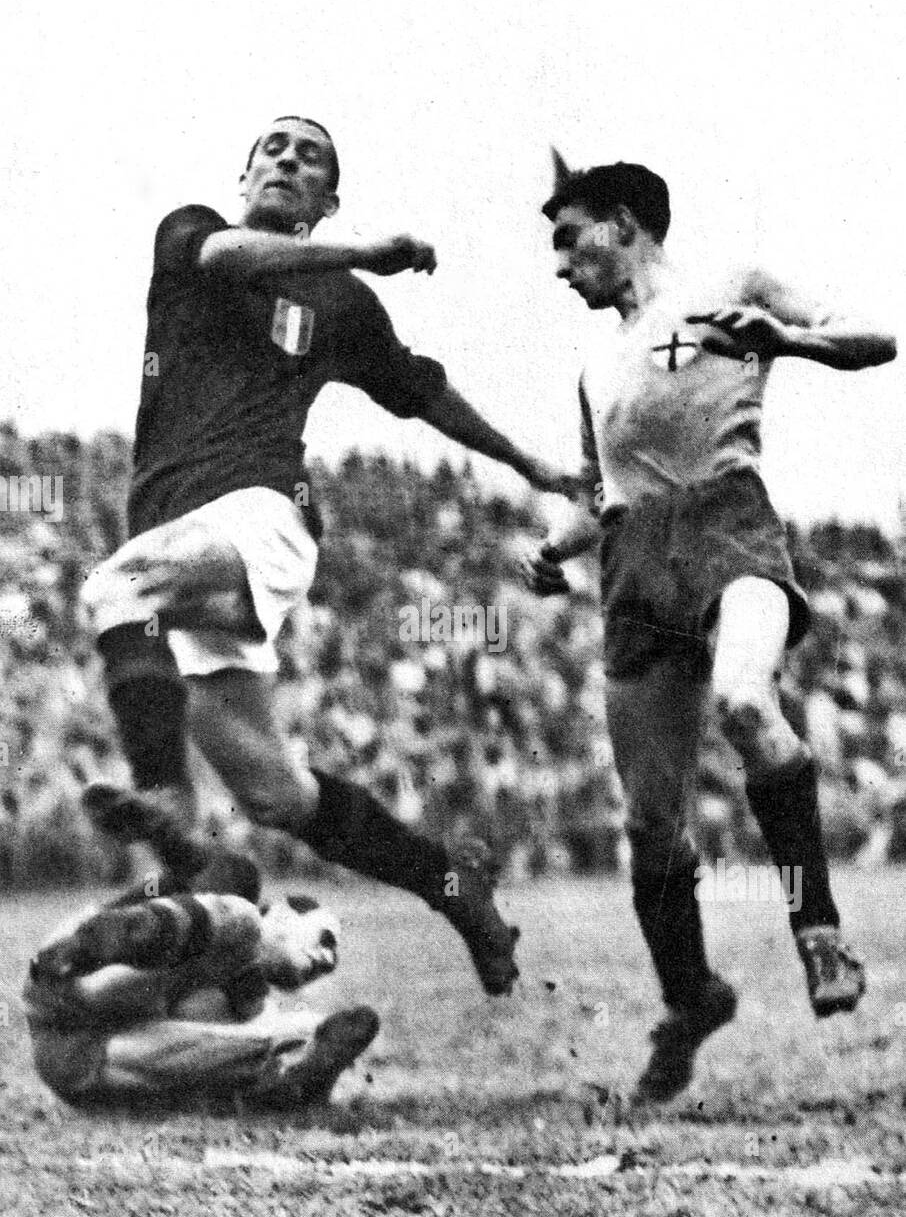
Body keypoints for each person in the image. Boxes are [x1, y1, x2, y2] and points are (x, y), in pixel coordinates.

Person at [82, 116, 573, 997]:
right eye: (272, 148)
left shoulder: (341, 303)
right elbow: (230, 256)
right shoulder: (192, 237)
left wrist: (528, 464)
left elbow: (419, 391)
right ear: (243, 178)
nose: (287, 159)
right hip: (177, 539)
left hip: (264, 513)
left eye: (309, 157)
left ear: (327, 200)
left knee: (118, 590)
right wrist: (367, 251)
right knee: (274, 795)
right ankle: (453, 885)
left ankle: (163, 802)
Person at [522, 152, 896, 1100]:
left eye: (569, 240)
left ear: (622, 223)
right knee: (650, 824)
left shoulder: (733, 286)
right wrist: (554, 548)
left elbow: (876, 337)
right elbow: (598, 489)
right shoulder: (595, 364)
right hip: (634, 564)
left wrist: (789, 341)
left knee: (743, 701)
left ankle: (819, 930)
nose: (560, 267)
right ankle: (690, 999)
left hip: (728, 525)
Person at [24, 842, 378, 1108]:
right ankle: (115, 935)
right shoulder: (237, 915)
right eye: (325, 941)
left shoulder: (248, 998)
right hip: (71, 978)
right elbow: (196, 876)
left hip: (81, 1063)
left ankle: (279, 1086)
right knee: (240, 911)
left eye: (331, 962)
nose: (327, 960)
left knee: (289, 1030)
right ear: (285, 916)